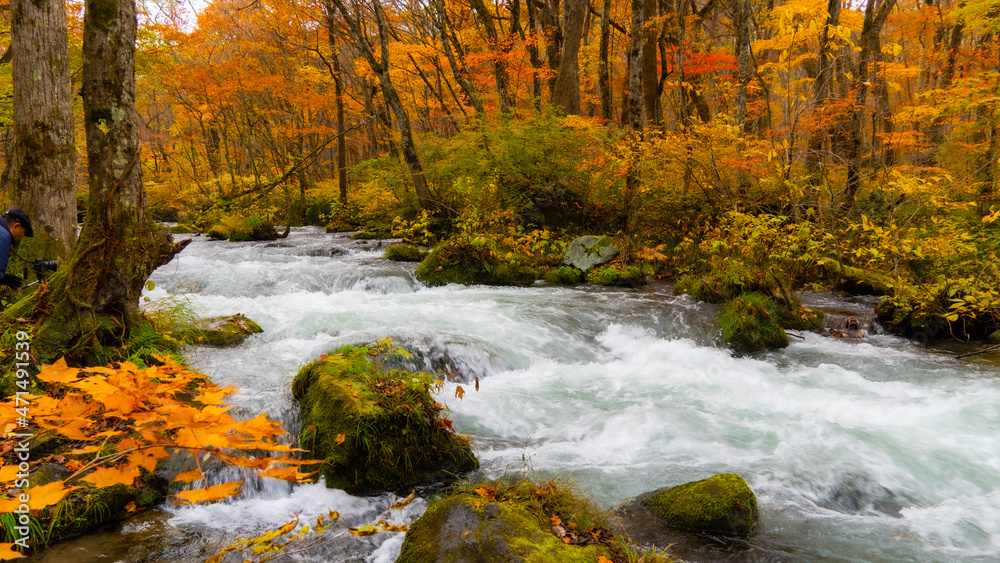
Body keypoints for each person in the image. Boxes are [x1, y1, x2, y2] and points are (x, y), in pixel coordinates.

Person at [1, 208, 34, 289]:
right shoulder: (3, 236)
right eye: (23, 233)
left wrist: (3, 278)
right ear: (16, 226)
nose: (21, 237)